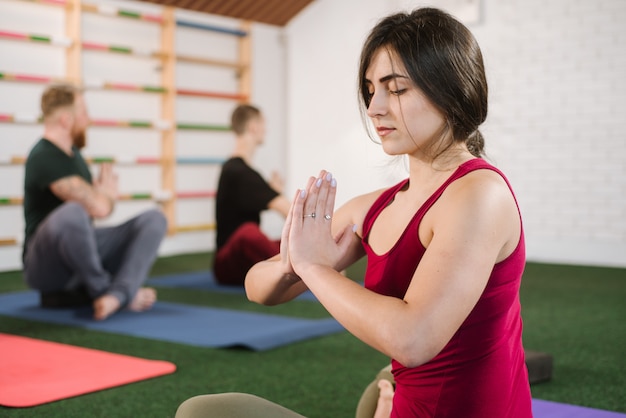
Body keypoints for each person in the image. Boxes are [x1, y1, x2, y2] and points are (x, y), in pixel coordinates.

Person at [176, 7, 532, 418]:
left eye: (395, 89)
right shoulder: (379, 206)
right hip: (411, 403)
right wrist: (294, 262)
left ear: (451, 90)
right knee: (209, 410)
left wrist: (315, 270)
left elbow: (413, 339)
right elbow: (258, 286)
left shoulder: (480, 194)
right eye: (370, 89)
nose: (374, 107)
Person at [22, 83, 167, 321]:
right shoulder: (43, 156)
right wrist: (106, 196)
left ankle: (117, 296)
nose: (88, 120)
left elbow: (97, 206)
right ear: (66, 120)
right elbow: (98, 207)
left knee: (154, 219)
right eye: (84, 113)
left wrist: (101, 198)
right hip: (45, 267)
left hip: (77, 256)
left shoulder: (75, 156)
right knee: (73, 213)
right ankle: (104, 290)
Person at [213, 104, 290, 286]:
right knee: (249, 233)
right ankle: (302, 270)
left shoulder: (238, 171)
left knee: (283, 243)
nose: (266, 129)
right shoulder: (240, 173)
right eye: (263, 124)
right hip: (227, 264)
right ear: (253, 127)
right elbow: (289, 211)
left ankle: (299, 266)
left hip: (240, 262)